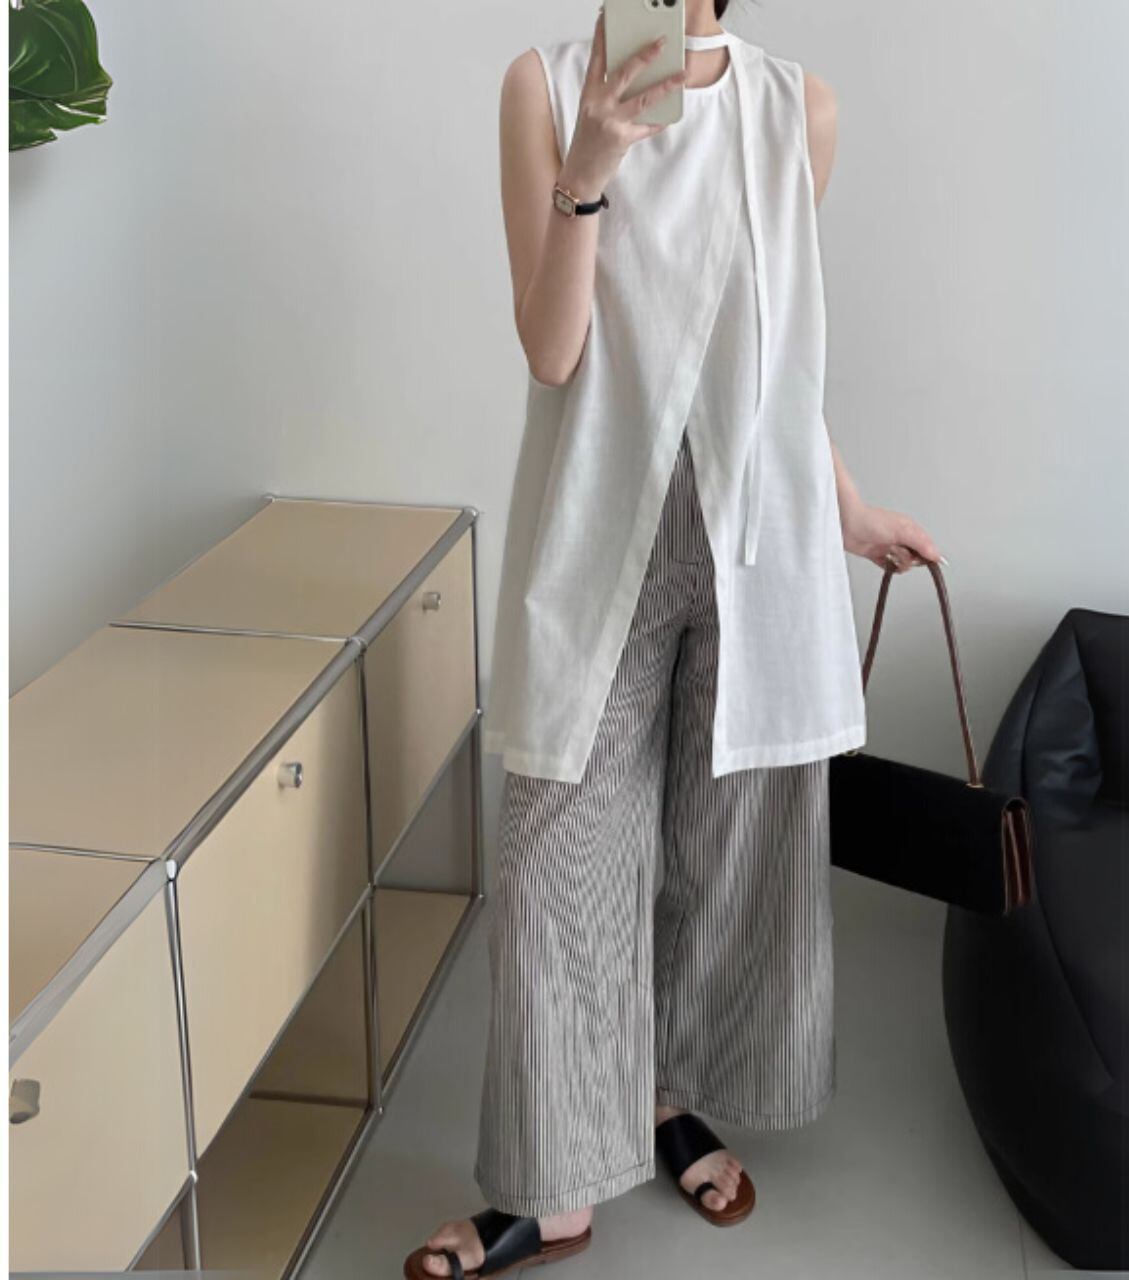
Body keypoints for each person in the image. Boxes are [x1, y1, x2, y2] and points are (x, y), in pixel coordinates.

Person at [405, 3, 942, 1276]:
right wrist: (590, 159)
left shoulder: (795, 107)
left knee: (727, 849)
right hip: (600, 530)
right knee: (557, 855)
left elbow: (773, 355)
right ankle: (549, 1185)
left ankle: (663, 1097)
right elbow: (552, 352)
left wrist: (847, 508)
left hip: (757, 538)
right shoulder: (540, 88)